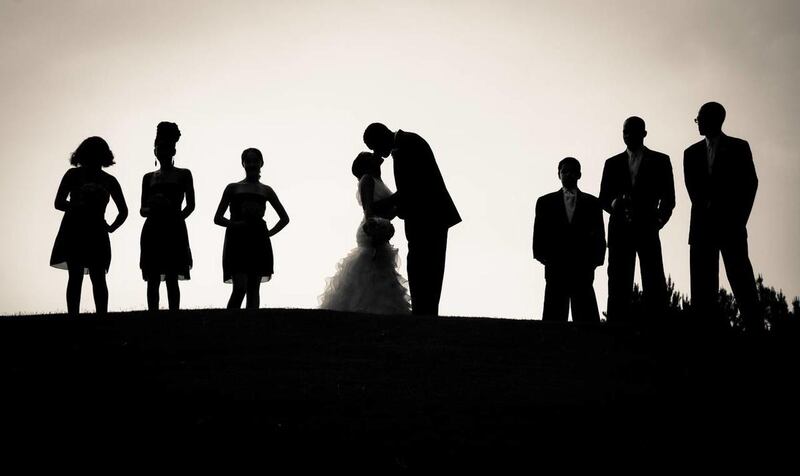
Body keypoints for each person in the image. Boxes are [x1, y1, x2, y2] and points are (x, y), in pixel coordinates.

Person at [362, 123, 461, 316]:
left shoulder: (407, 145)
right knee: (423, 265)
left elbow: (411, 189)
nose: (378, 154)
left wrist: (380, 206)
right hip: (427, 216)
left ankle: (424, 313)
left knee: (425, 266)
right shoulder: (406, 143)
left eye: (375, 147)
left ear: (382, 136)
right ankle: (424, 312)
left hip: (429, 216)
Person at [684, 102, 760, 332]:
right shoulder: (691, 153)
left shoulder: (739, 147)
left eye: (700, 118)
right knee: (702, 289)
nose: (697, 123)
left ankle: (755, 330)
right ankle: (705, 334)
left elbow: (750, 184)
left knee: (741, 281)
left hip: (731, 227)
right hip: (701, 230)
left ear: (715, 119)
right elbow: (693, 190)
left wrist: (738, 219)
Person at [599, 116, 675, 323]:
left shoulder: (660, 160)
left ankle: (656, 327)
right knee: (618, 281)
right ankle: (616, 328)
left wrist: (658, 222)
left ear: (644, 133)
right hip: (619, 230)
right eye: (625, 131)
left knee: (653, 279)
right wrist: (615, 203)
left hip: (648, 228)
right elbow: (603, 198)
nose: (628, 135)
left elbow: (669, 198)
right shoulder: (611, 163)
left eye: (632, 131)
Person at [319, 152, 411, 314]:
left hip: (381, 226)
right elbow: (370, 209)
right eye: (369, 156)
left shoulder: (378, 181)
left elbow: (385, 210)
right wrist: (396, 198)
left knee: (380, 269)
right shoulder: (367, 179)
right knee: (370, 269)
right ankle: (364, 308)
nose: (374, 156)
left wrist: (397, 207)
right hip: (371, 227)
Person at [50, 136, 128, 315]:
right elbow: (58, 202)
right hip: (74, 230)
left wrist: (111, 227)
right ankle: (74, 317)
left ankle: (101, 316)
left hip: (96, 231)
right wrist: (78, 206)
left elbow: (124, 211)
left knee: (98, 276)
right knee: (75, 275)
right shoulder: (72, 175)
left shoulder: (110, 180)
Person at [214, 148, 289, 309]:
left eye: (255, 161)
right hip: (237, 241)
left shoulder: (266, 190)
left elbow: (284, 218)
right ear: (243, 164)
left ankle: (252, 322)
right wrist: (236, 225)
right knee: (240, 288)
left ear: (261, 163)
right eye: (248, 161)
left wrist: (268, 234)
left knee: (254, 289)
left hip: (258, 241)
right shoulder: (232, 188)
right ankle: (228, 322)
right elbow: (218, 218)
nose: (252, 164)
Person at [533, 158, 606, 322]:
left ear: (579, 175)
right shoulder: (544, 202)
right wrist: (545, 258)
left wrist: (595, 261)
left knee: (586, 318)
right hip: (556, 266)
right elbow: (539, 234)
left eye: (572, 171)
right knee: (554, 317)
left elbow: (599, 235)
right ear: (558, 174)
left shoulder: (593, 203)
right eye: (564, 171)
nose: (568, 175)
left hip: (583, 266)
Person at [140, 122, 194, 311]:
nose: (163, 151)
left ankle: (174, 315)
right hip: (153, 229)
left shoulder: (184, 174)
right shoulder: (148, 177)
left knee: (172, 275)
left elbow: (191, 205)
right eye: (160, 147)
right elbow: (142, 209)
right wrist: (154, 209)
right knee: (152, 276)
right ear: (155, 151)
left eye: (167, 147)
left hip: (174, 228)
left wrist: (176, 218)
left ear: (174, 151)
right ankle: (152, 315)